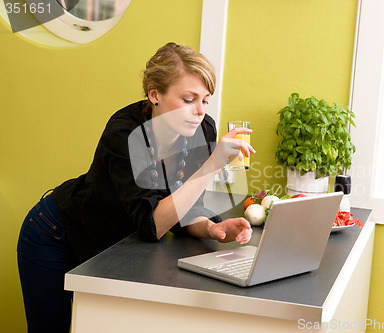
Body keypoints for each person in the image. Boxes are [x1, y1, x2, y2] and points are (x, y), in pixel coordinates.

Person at [17, 42, 255, 333]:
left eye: (205, 100)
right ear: (154, 94)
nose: (200, 111)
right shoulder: (125, 133)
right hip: (54, 235)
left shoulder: (203, 129)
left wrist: (211, 228)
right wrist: (212, 165)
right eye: (189, 99)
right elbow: (152, 223)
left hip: (113, 244)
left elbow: (183, 207)